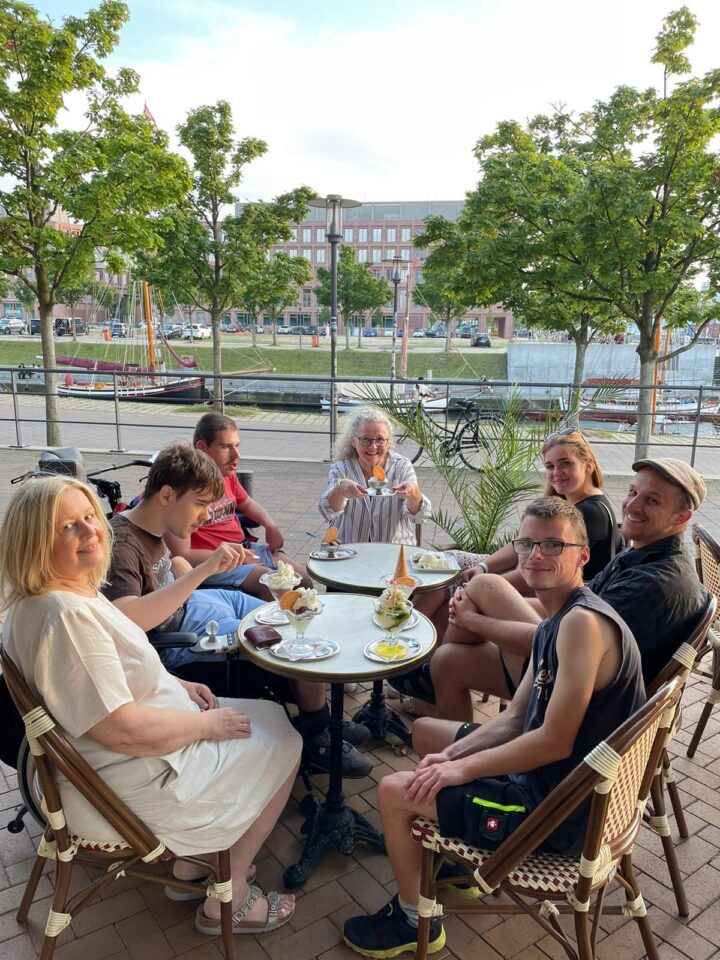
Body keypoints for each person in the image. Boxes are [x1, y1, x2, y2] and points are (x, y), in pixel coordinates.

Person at [342, 498, 645, 957]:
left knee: (392, 792)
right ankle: (455, 864)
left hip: (556, 813)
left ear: (583, 555)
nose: (535, 555)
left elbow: (553, 741)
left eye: (553, 545)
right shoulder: (558, 620)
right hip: (556, 783)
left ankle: (413, 920)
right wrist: (451, 757)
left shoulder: (582, 626)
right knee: (430, 735)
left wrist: (462, 769)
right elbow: (515, 717)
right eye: (527, 544)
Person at [0, 475, 301, 936]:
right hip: (133, 778)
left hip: (130, 758)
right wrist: (207, 727)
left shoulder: (56, 595)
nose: (90, 531)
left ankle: (195, 864)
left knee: (268, 716)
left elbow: (110, 671)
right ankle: (231, 895)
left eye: (89, 517)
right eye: (67, 526)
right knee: (284, 739)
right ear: (33, 542)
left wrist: (176, 684)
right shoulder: (65, 617)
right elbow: (121, 729)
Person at [104, 442, 372, 778]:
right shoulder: (122, 544)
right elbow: (126, 618)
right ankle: (317, 736)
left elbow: (169, 564)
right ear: (167, 495)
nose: (205, 516)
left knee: (296, 616)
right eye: (200, 504)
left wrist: (184, 568)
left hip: (201, 603)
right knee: (289, 639)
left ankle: (319, 717)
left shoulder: (151, 526)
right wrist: (205, 570)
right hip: (180, 634)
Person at [399, 457, 707, 722]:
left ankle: (426, 686)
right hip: (570, 661)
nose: (633, 505)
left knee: (484, 588)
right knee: (450, 656)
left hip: (578, 696)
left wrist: (476, 621)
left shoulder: (654, 583)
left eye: (652, 501)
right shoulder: (647, 552)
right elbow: (575, 606)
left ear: (681, 517)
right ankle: (433, 691)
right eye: (633, 492)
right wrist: (490, 606)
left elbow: (568, 646)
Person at [414, 428, 620, 628]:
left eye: (566, 463)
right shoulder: (570, 502)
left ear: (588, 465)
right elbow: (523, 544)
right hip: (535, 572)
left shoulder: (590, 513)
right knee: (447, 563)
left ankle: (413, 631)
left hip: (555, 589)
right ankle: (411, 626)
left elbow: (537, 568)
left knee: (452, 587)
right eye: (550, 466)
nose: (557, 473)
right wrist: (484, 567)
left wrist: (483, 587)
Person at [163, 413, 310, 600]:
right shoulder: (185, 489)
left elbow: (246, 503)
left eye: (237, 446)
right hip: (213, 561)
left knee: (302, 580)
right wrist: (232, 555)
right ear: (202, 448)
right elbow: (182, 555)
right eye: (225, 447)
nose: (236, 455)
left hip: (244, 548)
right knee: (275, 587)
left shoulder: (227, 476)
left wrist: (270, 525)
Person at [318, 406, 431, 544]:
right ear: (353, 441)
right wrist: (340, 490)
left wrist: (413, 493)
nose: (373, 446)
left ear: (388, 442)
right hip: (349, 551)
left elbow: (420, 517)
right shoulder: (341, 467)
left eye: (380, 439)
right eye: (365, 439)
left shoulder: (402, 466)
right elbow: (328, 510)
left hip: (394, 552)